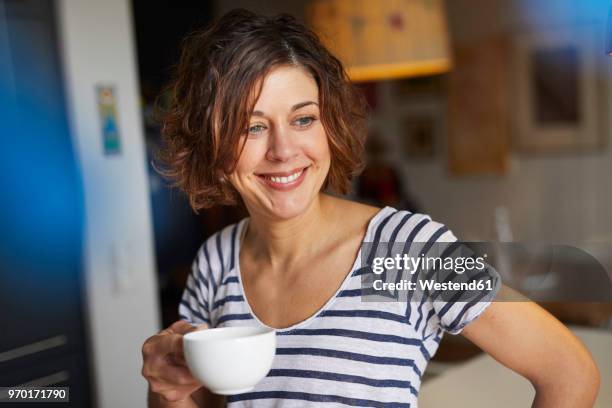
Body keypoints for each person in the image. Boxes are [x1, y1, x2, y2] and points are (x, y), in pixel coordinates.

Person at [141, 9, 600, 408]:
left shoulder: (405, 249)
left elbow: (569, 372)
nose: (284, 150)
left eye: (304, 119)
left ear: (330, 127)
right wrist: (169, 389)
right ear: (214, 148)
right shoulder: (217, 260)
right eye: (252, 127)